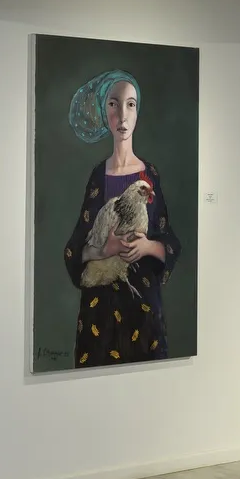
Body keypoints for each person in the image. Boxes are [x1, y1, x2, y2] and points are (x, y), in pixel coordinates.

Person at [63, 71, 181, 367]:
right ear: (104, 113)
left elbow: (168, 242)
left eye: (130, 104)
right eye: (114, 104)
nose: (123, 115)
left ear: (138, 112)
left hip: (142, 306)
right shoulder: (98, 176)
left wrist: (147, 247)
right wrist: (104, 250)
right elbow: (76, 249)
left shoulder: (149, 174)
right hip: (100, 309)